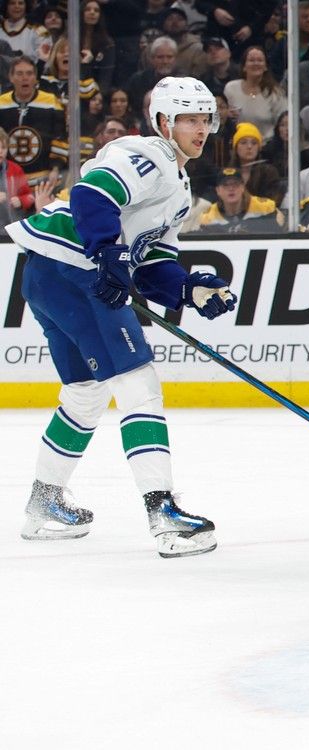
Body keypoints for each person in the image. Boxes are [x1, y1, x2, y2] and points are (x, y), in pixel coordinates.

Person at [4, 77, 236, 559]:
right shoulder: (147, 154)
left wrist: (190, 290)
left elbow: (152, 265)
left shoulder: (179, 188)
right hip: (74, 270)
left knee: (86, 394)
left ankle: (44, 504)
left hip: (48, 275)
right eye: (189, 118)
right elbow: (92, 196)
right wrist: (108, 255)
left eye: (205, 119)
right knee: (139, 385)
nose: (200, 128)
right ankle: (164, 516)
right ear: (164, 121)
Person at [0, 56, 67, 185]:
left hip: (43, 179)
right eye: (19, 73)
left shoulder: (51, 102)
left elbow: (60, 138)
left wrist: (56, 167)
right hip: (7, 179)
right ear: (11, 77)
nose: (25, 78)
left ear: (36, 78)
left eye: (29, 73)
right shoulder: (1, 103)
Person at [198, 165, 285, 232]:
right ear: (218, 190)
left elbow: (282, 227)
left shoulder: (265, 207)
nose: (231, 188)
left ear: (243, 187)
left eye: (235, 184)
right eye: (225, 185)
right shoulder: (207, 217)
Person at [224, 45, 285, 140]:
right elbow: (219, 113)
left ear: (265, 67)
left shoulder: (275, 93)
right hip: (237, 144)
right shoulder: (230, 88)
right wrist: (225, 114)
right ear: (244, 67)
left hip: (267, 146)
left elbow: (283, 122)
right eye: (251, 60)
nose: (256, 63)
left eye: (260, 60)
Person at [229, 120, 283, 203]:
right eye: (243, 143)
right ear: (236, 148)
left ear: (259, 148)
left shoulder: (269, 172)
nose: (249, 147)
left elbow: (273, 201)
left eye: (254, 143)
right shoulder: (228, 173)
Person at [81, 0, 116, 95]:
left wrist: (98, 95)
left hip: (96, 93)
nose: (92, 12)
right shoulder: (70, 39)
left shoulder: (107, 43)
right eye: (88, 9)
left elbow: (106, 76)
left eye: (96, 10)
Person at [0, 124, 32, 223]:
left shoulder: (15, 169)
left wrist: (21, 201)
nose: (0, 151)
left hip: (11, 225)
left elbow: (29, 196)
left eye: (4, 148)